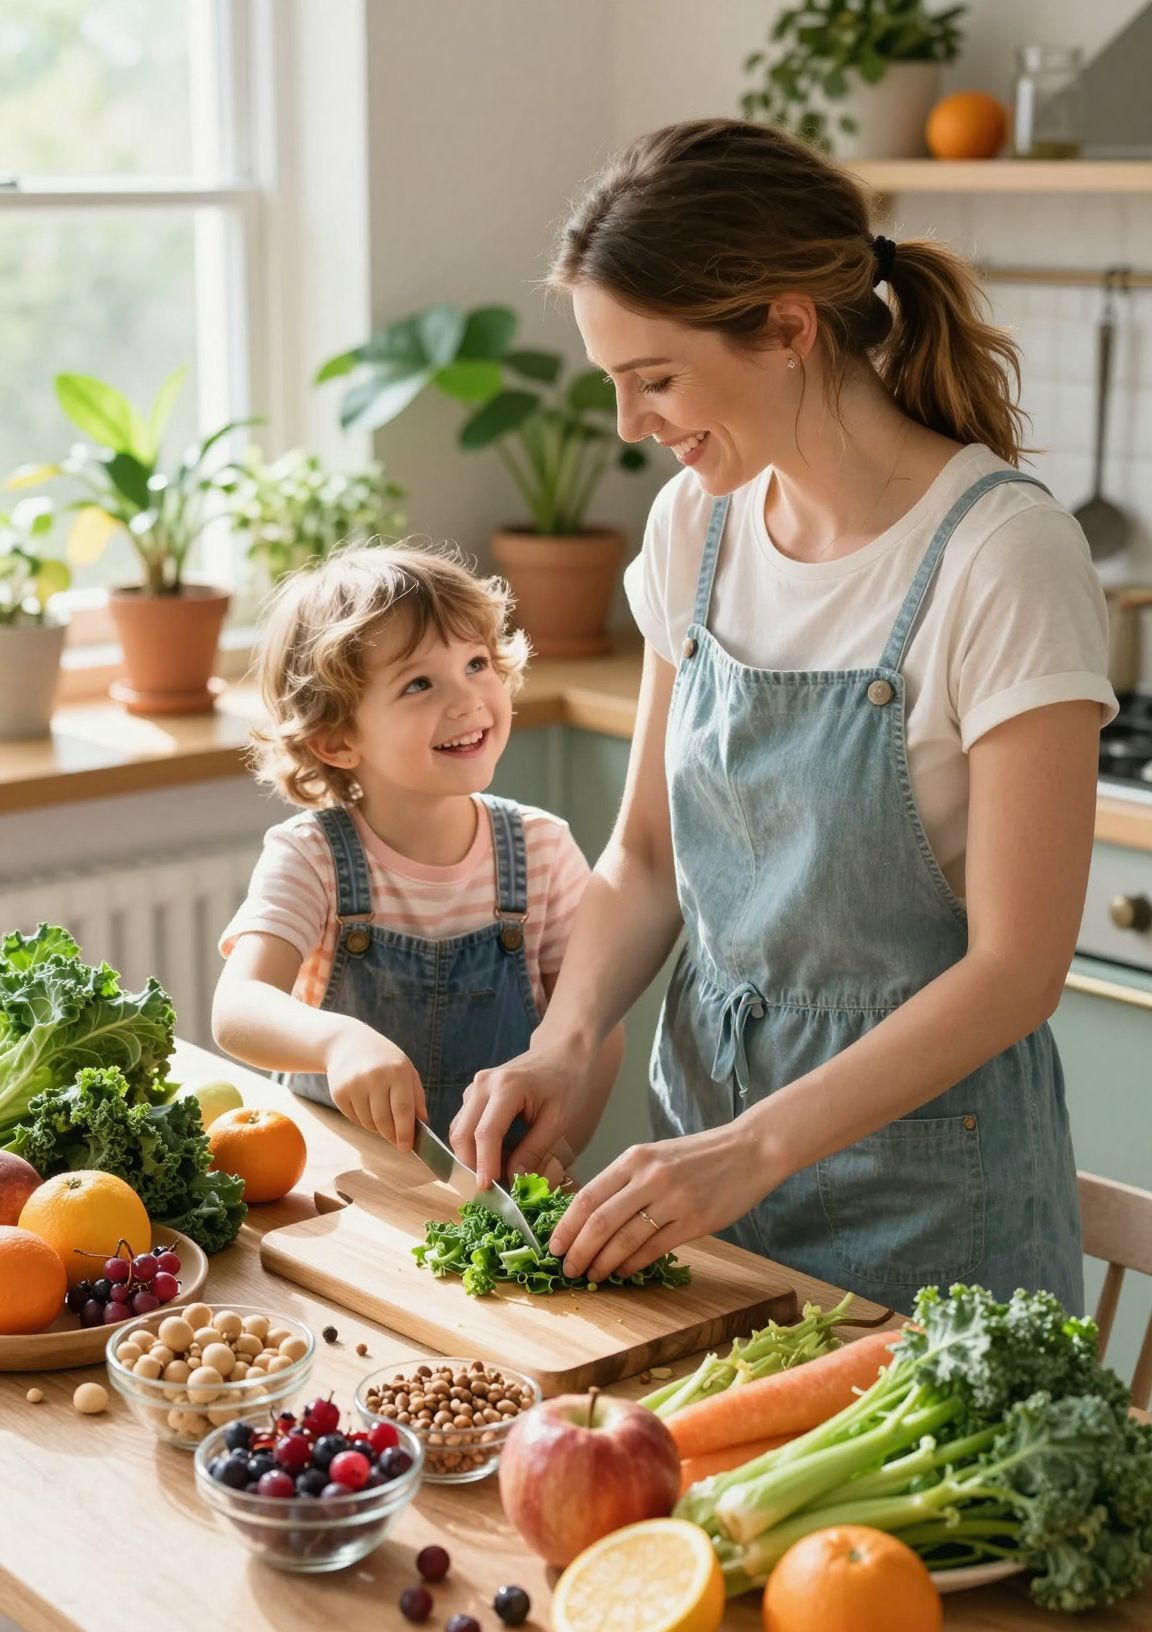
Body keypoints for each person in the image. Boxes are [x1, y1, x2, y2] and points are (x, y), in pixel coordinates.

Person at [451, 118, 1115, 1317]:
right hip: (703, 1164)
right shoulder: (693, 531)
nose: (630, 422)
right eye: (617, 384)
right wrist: (567, 1037)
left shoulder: (1003, 556)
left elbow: (1019, 969)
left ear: (789, 327)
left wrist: (756, 1145)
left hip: (931, 1200)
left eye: (654, 377)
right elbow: (646, 853)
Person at [213, 543, 621, 1157]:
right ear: (336, 739)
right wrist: (336, 1042)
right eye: (420, 683)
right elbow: (237, 1008)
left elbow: (595, 1031)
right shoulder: (310, 857)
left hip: (494, 1192)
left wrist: (556, 1153)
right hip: (346, 1194)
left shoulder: (543, 849)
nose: (466, 700)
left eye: (477, 663)